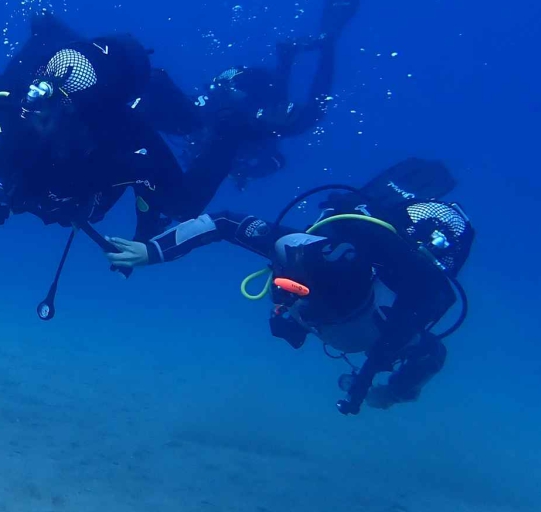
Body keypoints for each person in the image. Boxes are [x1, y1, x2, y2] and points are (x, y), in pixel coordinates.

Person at [103, 158, 473, 414]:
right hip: (347, 269)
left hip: (383, 319)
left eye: (301, 295)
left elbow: (431, 348)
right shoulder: (299, 250)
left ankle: (391, 394)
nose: (299, 297)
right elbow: (222, 222)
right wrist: (152, 250)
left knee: (418, 362)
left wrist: (388, 390)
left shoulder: (394, 319)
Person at [0, 12, 196, 246]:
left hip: (119, 112)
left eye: (47, 113)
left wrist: (145, 239)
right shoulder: (11, 109)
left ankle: (214, 117)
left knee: (184, 206)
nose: (34, 114)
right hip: (68, 156)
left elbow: (151, 176)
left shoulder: (118, 135)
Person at [176, 0, 363, 208]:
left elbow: (273, 157)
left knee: (304, 114)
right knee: (290, 115)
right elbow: (277, 161)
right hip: (255, 108)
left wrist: (245, 169)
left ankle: (318, 48)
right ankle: (303, 52)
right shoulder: (211, 145)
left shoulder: (202, 127)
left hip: (247, 104)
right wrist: (245, 172)